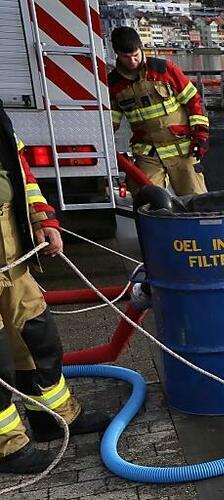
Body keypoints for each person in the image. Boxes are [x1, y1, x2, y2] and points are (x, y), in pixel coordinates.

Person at [0, 103, 110, 474]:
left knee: (37, 335)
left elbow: (20, 172)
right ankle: (7, 446)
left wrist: (42, 219)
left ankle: (53, 417)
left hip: (9, 244)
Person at [108, 27, 210, 196]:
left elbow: (193, 101)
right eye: (126, 57)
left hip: (182, 149)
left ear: (141, 48)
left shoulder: (164, 70)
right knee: (146, 197)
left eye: (135, 55)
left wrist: (201, 135)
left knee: (195, 198)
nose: (132, 61)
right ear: (117, 53)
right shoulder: (114, 84)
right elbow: (111, 121)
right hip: (148, 153)